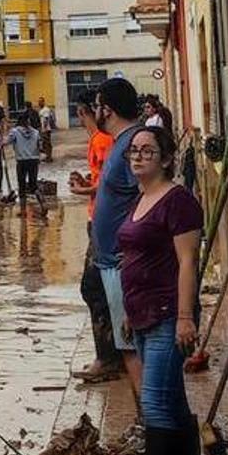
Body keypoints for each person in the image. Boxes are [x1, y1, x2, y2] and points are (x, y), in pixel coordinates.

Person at [117, 126, 203, 455]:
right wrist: (128, 312)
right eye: (134, 151)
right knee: (173, 403)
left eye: (147, 152)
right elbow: (134, 258)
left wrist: (186, 317)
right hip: (143, 314)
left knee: (154, 404)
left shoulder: (178, 202)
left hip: (170, 314)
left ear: (167, 159)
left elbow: (187, 262)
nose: (137, 157)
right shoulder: (141, 198)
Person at [92, 78, 145, 397]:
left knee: (133, 344)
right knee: (129, 344)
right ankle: (148, 422)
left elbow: (148, 197)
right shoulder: (121, 143)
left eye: (98, 106)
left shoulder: (133, 145)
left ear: (106, 109)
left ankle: (151, 424)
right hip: (113, 260)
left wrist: (136, 251)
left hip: (123, 263)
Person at [69, 90, 122, 383]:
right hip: (99, 217)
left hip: (104, 221)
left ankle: (109, 357)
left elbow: (108, 185)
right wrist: (88, 183)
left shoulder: (103, 141)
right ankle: (116, 353)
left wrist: (84, 189)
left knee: (93, 288)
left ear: (83, 112)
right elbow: (101, 180)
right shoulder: (99, 140)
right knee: (102, 288)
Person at [6, 113, 46, 217]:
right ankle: (42, 202)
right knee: (33, 185)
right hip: (33, 160)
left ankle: (23, 211)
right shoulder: (36, 132)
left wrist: (0, 142)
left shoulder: (14, 132)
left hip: (21, 161)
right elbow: (40, 145)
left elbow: (6, 142)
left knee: (22, 185)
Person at [38, 97, 56, 163]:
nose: (39, 103)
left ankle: (49, 157)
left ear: (43, 102)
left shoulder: (45, 110)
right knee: (45, 143)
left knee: (47, 144)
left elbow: (46, 119)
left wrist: (44, 129)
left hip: (46, 129)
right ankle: (47, 156)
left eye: (40, 102)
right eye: (38, 102)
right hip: (43, 129)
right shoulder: (41, 110)